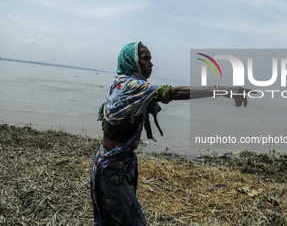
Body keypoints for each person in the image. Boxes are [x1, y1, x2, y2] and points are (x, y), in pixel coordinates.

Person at [90, 42, 250, 226]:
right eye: (145, 59)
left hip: (117, 163)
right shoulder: (130, 87)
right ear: (132, 61)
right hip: (112, 168)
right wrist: (224, 90)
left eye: (151, 59)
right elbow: (175, 92)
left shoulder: (122, 84)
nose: (151, 64)